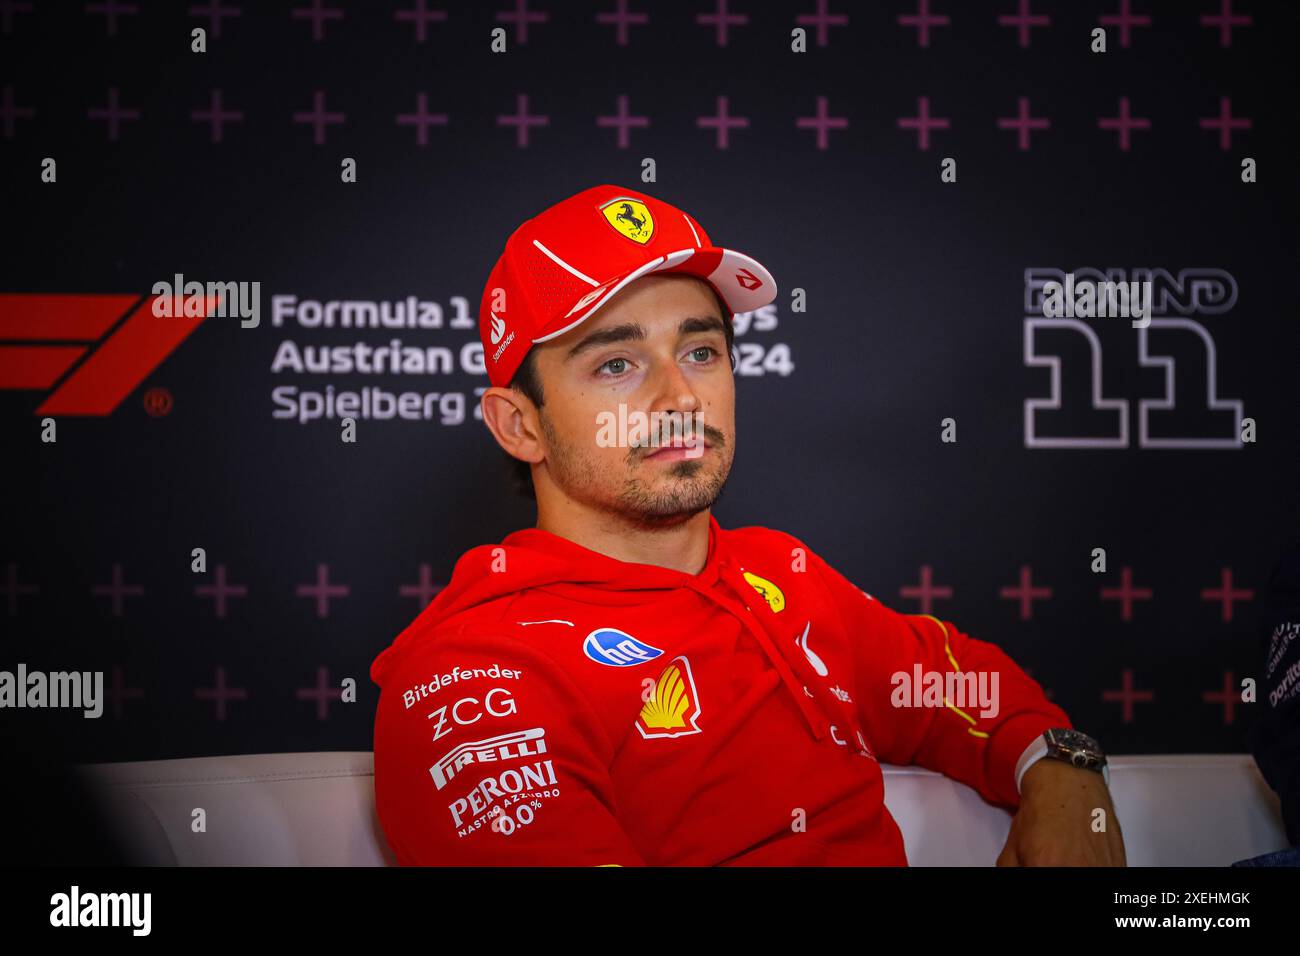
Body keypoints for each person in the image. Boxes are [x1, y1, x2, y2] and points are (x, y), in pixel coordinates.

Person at [369, 184, 1125, 866]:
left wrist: (1061, 769)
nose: (679, 398)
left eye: (700, 351)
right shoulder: (470, 674)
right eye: (616, 365)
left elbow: (950, 681)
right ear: (518, 425)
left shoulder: (781, 574)